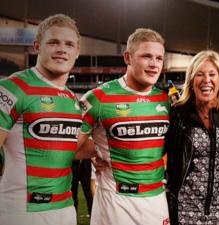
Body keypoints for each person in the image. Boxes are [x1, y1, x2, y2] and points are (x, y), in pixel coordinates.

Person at [76, 28, 170, 225]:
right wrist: (99, 150)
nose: (154, 64)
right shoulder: (97, 98)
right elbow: (68, 146)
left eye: (159, 58)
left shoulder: (165, 100)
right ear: (128, 57)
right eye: (146, 56)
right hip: (115, 200)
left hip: (157, 200)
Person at [0, 14, 81, 225]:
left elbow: (69, 148)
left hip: (65, 209)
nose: (62, 49)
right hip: (20, 211)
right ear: (37, 46)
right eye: (53, 42)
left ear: (77, 52)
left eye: (69, 44)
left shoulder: (72, 99)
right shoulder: (12, 88)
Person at [165, 50, 219, 225]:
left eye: (212, 74)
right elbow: (158, 150)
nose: (207, 80)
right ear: (191, 80)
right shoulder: (177, 114)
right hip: (184, 208)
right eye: (200, 74)